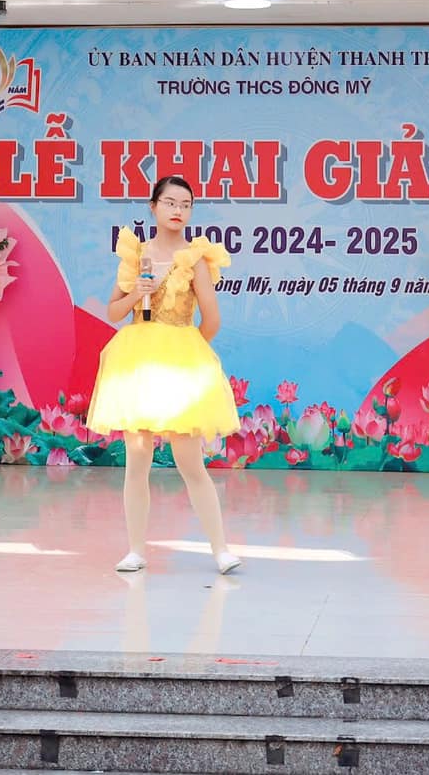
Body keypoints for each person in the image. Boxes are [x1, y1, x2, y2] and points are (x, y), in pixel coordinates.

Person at [88, 176, 242, 575]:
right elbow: (113, 312)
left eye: (185, 205)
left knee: (190, 461)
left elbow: (212, 319)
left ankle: (221, 550)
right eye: (170, 202)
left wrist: (187, 351)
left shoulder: (196, 259)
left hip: (180, 361)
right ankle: (136, 550)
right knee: (137, 458)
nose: (178, 211)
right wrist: (137, 292)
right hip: (137, 363)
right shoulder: (135, 254)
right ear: (153, 206)